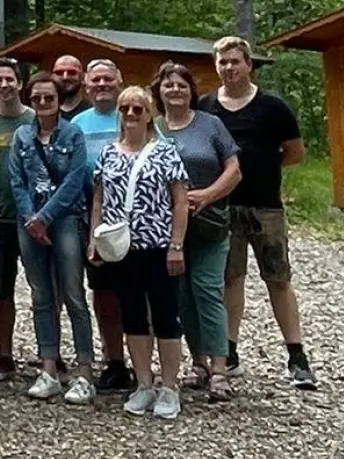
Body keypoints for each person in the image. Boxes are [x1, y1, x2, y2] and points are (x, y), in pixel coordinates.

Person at [199, 36, 314, 389]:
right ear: (216, 66)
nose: (229, 67)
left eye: (235, 61)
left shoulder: (273, 107)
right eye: (223, 62)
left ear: (248, 64)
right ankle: (229, 352)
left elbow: (295, 152)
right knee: (230, 279)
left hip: (266, 207)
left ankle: (297, 356)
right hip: (224, 207)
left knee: (278, 279)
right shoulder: (206, 107)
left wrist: (264, 167)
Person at [90, 86, 190, 420]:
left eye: (137, 109)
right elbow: (99, 198)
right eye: (125, 109)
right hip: (122, 249)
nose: (131, 115)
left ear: (149, 114)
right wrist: (94, 238)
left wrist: (177, 244)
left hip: (158, 246)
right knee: (131, 316)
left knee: (165, 316)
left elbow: (180, 201)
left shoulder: (165, 152)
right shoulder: (108, 153)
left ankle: (170, 386)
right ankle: (144, 382)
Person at [153, 62, 241, 401]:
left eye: (181, 84)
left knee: (207, 290)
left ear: (191, 90)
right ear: (159, 91)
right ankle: (198, 362)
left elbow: (234, 169)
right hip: (167, 227)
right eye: (168, 85)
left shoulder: (210, 124)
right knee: (182, 295)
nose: (175, 90)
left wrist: (207, 195)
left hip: (208, 222)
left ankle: (220, 367)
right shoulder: (153, 128)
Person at [10, 72, 95, 403]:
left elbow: (75, 179)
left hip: (65, 218)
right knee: (40, 295)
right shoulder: (22, 136)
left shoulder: (73, 134)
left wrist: (45, 217)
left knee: (74, 293)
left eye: (49, 97)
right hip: (29, 220)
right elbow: (16, 180)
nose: (43, 103)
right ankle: (48, 366)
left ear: (59, 100)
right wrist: (31, 218)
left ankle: (84, 370)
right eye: (37, 98)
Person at [70, 59, 130, 392]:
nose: (102, 85)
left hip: (136, 219)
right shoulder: (78, 123)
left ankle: (145, 360)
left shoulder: (134, 114)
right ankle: (114, 360)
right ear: (87, 86)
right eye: (96, 80)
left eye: (108, 79)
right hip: (93, 217)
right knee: (104, 293)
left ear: (119, 82)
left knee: (138, 292)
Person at [0, 58, 34, 382]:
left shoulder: (35, 119)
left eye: (9, 79)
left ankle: (50, 354)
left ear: (20, 83)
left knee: (45, 288)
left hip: (33, 216)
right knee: (0, 289)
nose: (4, 85)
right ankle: (4, 354)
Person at [54, 55, 89, 119]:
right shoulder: (44, 110)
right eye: (59, 73)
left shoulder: (93, 110)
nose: (65, 77)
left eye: (72, 72)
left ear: (82, 77)